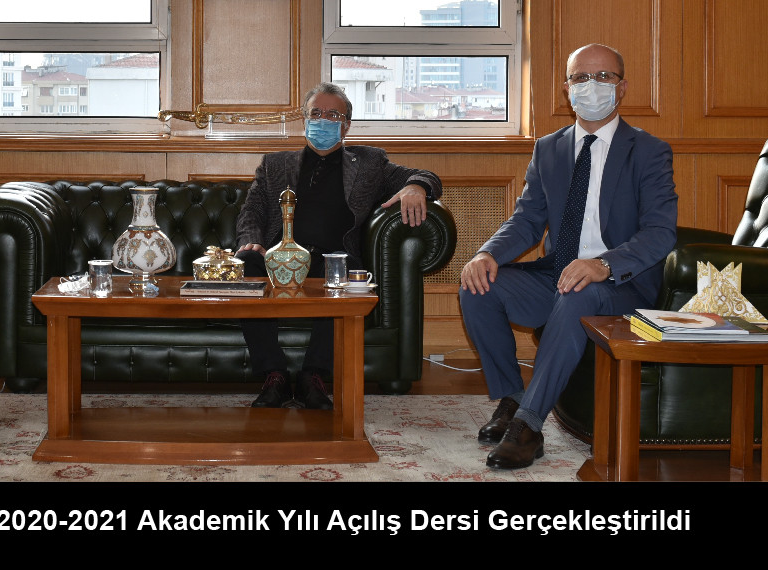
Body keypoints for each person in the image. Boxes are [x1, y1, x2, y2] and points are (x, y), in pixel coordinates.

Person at [459, 44, 678, 469]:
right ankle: (513, 399)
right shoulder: (549, 148)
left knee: (579, 292)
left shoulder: (649, 150)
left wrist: (603, 264)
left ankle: (528, 425)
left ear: (622, 87)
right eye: (581, 77)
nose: (591, 85)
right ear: (567, 89)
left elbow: (660, 232)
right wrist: (487, 253)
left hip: (620, 284)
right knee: (478, 285)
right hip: (558, 275)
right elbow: (527, 220)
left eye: (604, 76)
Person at [235, 82, 443, 409]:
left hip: (335, 261)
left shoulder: (369, 163)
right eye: (316, 113)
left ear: (346, 125)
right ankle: (274, 375)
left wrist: (416, 186)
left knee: (344, 272)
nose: (323, 120)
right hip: (281, 260)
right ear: (305, 119)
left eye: (333, 115)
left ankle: (312, 377)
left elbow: (426, 175)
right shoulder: (275, 164)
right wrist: (252, 241)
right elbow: (253, 209)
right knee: (246, 261)